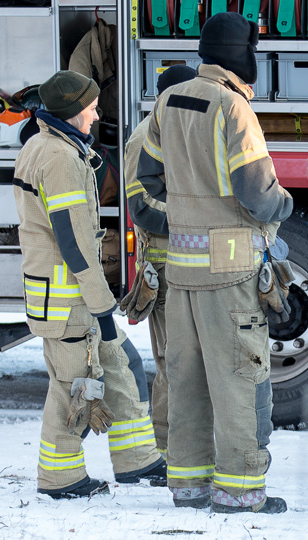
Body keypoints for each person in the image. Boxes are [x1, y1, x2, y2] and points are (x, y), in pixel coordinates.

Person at [136, 13, 294, 514]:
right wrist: (284, 204)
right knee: (238, 379)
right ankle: (240, 491)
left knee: (186, 379)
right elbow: (258, 193)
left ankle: (187, 485)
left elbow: (150, 181)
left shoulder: (168, 100)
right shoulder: (233, 106)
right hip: (231, 272)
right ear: (240, 56)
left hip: (181, 274)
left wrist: (190, 212)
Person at [13, 70, 166, 500]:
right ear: (73, 111)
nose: (97, 113)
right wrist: (103, 305)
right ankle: (60, 478)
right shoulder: (59, 157)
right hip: (69, 302)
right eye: (92, 107)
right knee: (72, 387)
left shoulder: (51, 145)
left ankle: (138, 459)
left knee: (120, 366)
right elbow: (75, 243)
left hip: (69, 296)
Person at [120, 64, 197, 457]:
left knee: (193, 362)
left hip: (194, 267)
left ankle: (188, 447)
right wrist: (205, 218)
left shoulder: (181, 130)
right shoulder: (144, 138)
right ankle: (166, 452)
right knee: (173, 363)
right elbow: (143, 209)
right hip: (165, 271)